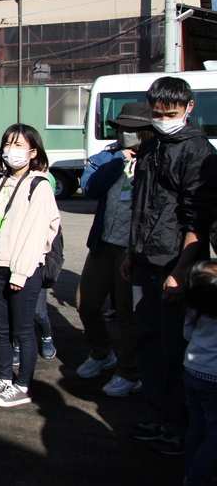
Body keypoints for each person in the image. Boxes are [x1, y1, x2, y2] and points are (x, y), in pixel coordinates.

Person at [122, 76, 217, 455]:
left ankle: (178, 425)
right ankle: (157, 413)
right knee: (147, 343)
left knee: (174, 347)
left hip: (175, 265)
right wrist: (131, 252)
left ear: (188, 108)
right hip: (144, 259)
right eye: (157, 114)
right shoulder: (150, 148)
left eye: (171, 114)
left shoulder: (199, 154)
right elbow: (140, 207)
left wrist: (181, 272)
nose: (163, 119)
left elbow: (198, 220)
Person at [0, 124, 61, 408]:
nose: (11, 150)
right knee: (0, 328)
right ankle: (3, 377)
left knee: (23, 330)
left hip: (22, 269)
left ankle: (23, 384)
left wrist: (21, 273)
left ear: (33, 151)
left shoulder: (39, 185)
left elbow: (36, 234)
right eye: (8, 144)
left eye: (19, 145)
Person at [76, 102, 151, 396]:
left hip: (132, 249)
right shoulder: (107, 157)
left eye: (131, 129)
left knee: (127, 316)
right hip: (104, 245)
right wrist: (118, 159)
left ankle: (129, 372)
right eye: (121, 127)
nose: (124, 133)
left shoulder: (154, 157)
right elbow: (91, 188)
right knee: (86, 302)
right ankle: (101, 353)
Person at [182, 260, 217, 486]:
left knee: (197, 425)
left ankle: (190, 471)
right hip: (213, 378)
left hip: (192, 371)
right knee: (215, 434)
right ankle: (197, 477)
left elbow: (187, 335)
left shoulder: (195, 310)